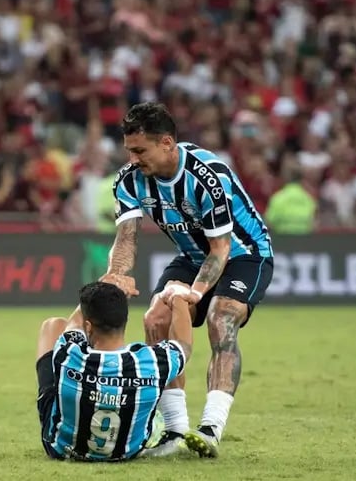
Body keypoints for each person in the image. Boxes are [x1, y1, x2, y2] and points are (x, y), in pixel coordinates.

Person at [102, 102, 275, 458]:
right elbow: (127, 238)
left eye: (140, 151)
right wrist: (118, 275)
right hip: (192, 257)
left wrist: (195, 292)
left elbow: (221, 249)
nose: (133, 159)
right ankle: (175, 431)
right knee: (156, 319)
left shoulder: (207, 175)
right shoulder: (130, 180)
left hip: (245, 255)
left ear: (167, 143)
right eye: (128, 151)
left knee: (220, 317)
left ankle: (211, 427)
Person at [35, 281, 194, 461]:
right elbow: (183, 346)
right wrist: (178, 296)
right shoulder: (153, 362)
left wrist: (107, 281)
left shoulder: (68, 353)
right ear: (125, 320)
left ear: (88, 327)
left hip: (62, 449)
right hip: (126, 453)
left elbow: (73, 324)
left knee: (53, 325)